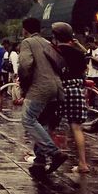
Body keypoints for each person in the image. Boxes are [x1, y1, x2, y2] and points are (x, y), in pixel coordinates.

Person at [17, 17, 69, 177]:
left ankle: (54, 153)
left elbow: (25, 65)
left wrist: (24, 85)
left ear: (25, 30)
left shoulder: (27, 43)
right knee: (43, 122)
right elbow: (61, 65)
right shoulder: (48, 43)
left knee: (28, 119)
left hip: (39, 88)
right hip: (56, 87)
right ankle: (39, 161)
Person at [51, 22, 92, 174]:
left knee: (50, 126)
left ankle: (41, 157)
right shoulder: (78, 53)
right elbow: (84, 72)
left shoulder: (53, 52)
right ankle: (83, 163)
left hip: (58, 91)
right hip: (75, 90)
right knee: (76, 127)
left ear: (55, 37)